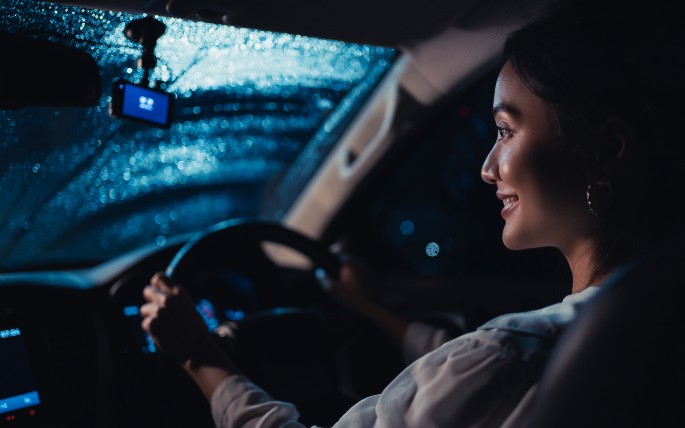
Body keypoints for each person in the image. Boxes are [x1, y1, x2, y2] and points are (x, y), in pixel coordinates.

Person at [140, 0, 685, 426]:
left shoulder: (507, 356)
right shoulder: (641, 332)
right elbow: (461, 365)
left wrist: (200, 356)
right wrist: (368, 308)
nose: (487, 169)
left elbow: (478, 365)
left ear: (606, 152)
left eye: (506, 131)